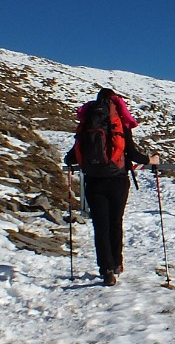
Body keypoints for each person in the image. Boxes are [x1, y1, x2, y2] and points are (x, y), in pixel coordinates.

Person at [64, 88, 158, 286]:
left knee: (100, 226)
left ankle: (106, 270)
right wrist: (151, 159)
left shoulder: (87, 123)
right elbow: (132, 153)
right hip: (118, 181)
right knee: (116, 222)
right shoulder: (120, 123)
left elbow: (71, 156)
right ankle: (117, 263)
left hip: (94, 181)